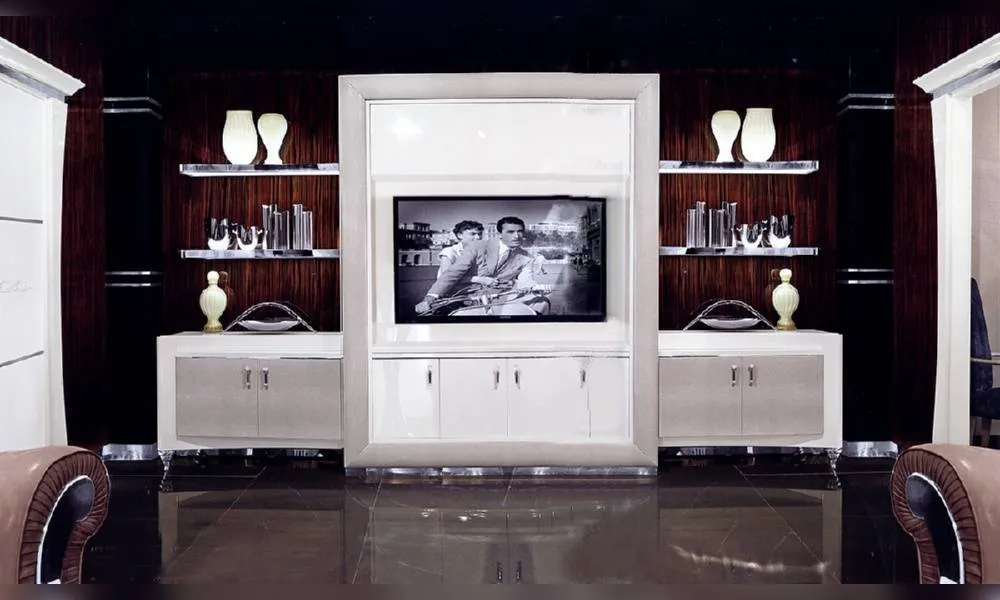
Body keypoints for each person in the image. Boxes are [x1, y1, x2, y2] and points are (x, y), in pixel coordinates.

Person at [415, 216, 537, 314]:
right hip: (464, 298)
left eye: (520, 231)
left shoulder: (527, 257)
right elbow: (453, 273)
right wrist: (430, 298)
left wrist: (529, 286)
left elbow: (526, 281)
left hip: (499, 300)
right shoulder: (477, 246)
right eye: (510, 232)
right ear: (499, 234)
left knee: (538, 305)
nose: (516, 236)